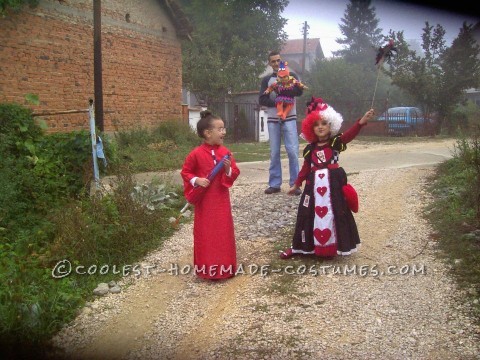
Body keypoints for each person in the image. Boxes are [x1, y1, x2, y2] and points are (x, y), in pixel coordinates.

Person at [280, 97, 375, 259]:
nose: (320, 127)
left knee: (337, 213)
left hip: (333, 189)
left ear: (331, 125)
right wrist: (297, 184)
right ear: (311, 128)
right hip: (313, 188)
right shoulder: (310, 149)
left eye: (324, 123)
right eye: (316, 125)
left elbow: (349, 135)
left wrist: (361, 122)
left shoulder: (336, 143)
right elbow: (305, 168)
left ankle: (336, 245)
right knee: (307, 215)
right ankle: (304, 247)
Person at [181, 110, 240, 280]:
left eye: (224, 129)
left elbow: (234, 172)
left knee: (223, 233)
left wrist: (228, 170)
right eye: (220, 129)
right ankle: (208, 270)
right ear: (208, 133)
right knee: (206, 234)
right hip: (205, 203)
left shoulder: (226, 153)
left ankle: (226, 269)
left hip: (221, 200)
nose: (224, 132)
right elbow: (186, 172)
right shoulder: (195, 154)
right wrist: (196, 180)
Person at [259, 50, 304, 195]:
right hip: (273, 119)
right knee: (274, 152)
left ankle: (295, 184)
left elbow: (299, 92)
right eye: (273, 61)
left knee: (292, 151)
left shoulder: (292, 76)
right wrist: (277, 100)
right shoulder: (266, 80)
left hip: (290, 119)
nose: (276, 63)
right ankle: (274, 183)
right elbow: (262, 99)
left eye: (278, 60)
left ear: (282, 60)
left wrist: (284, 92)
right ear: (269, 63)